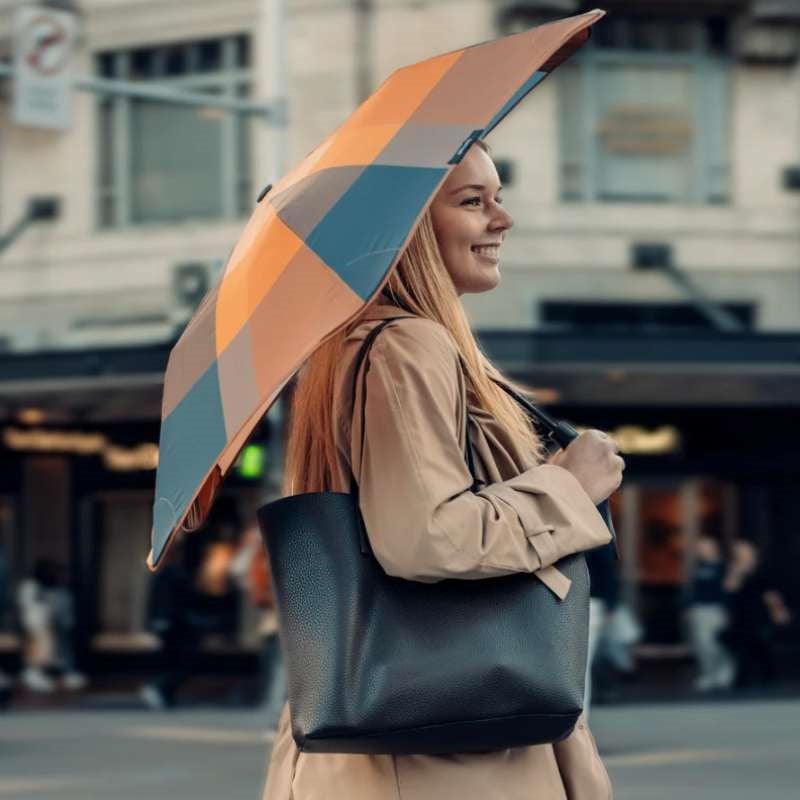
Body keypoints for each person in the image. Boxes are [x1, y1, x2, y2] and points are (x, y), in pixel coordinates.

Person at [262, 141, 623, 800]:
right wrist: (568, 487)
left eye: (498, 198)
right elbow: (428, 536)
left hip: (394, 745)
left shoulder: (350, 347)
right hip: (447, 760)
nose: (501, 219)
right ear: (408, 227)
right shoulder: (407, 344)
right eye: (471, 201)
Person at [723, 539, 791, 690]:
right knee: (744, 646)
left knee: (760, 645)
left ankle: (766, 677)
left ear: (752, 552)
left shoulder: (762, 569)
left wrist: (779, 611)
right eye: (738, 551)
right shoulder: (735, 569)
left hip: (759, 614)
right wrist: (736, 571)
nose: (741, 554)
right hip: (741, 614)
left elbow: (771, 594)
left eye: (744, 550)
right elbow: (729, 588)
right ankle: (743, 680)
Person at [685, 534, 735, 692]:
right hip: (699, 610)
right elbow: (692, 590)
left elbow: (727, 591)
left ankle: (724, 673)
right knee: (702, 644)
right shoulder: (697, 567)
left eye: (705, 546)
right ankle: (708, 674)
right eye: (700, 547)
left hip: (716, 609)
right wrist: (689, 607)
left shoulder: (723, 567)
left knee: (717, 643)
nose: (701, 550)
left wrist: (727, 610)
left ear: (714, 548)